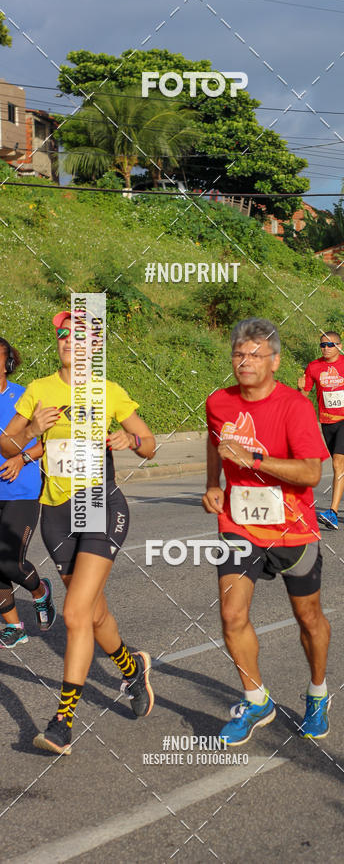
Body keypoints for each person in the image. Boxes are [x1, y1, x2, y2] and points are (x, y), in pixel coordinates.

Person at [0, 311, 157, 755]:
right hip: (55, 514)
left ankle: (63, 721)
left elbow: (149, 444)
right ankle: (131, 668)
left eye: (79, 335)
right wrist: (31, 429)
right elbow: (5, 443)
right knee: (92, 614)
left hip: (101, 505)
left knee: (73, 614)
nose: (69, 340)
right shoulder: (39, 391)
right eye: (63, 334)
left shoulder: (108, 392)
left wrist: (130, 442)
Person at [203, 318, 332, 746]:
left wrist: (254, 460)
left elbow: (312, 472)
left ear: (274, 361)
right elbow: (214, 441)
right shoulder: (218, 402)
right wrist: (213, 484)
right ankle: (257, 700)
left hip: (293, 530)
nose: (245, 362)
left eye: (255, 354)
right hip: (239, 526)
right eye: (239, 354)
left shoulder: (294, 405)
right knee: (231, 615)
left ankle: (317, 693)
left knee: (308, 619)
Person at [0, 338, 56, 649]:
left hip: (21, 491)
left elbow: (46, 442)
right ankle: (14, 626)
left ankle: (40, 593)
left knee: (9, 562)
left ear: (8, 362)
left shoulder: (25, 396)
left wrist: (20, 459)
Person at [298, 331, 344, 530]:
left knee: (338, 461)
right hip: (327, 421)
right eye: (323, 345)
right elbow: (304, 394)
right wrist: (299, 390)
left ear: (339, 346)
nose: (326, 348)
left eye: (331, 345)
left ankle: (333, 512)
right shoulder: (314, 366)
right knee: (342, 462)